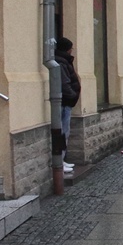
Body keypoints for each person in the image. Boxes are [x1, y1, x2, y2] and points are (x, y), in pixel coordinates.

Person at [55, 37, 81, 174]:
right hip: (64, 102)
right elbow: (64, 83)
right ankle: (59, 161)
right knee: (62, 132)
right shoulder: (61, 62)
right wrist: (72, 95)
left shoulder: (63, 61)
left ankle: (62, 160)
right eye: (71, 48)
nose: (72, 50)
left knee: (64, 132)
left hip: (65, 102)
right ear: (67, 49)